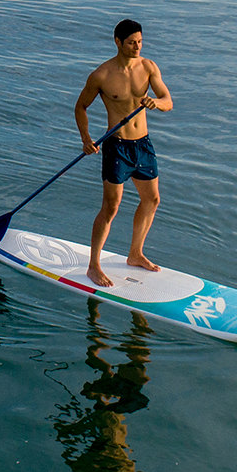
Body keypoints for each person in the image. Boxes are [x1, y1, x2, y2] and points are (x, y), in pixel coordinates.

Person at [72, 19, 173, 286]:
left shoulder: (148, 67)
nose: (137, 47)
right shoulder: (101, 75)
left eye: (140, 41)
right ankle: (93, 266)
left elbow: (168, 100)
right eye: (131, 42)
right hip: (116, 147)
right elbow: (80, 107)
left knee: (152, 200)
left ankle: (135, 253)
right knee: (111, 207)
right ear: (118, 42)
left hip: (143, 145)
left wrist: (157, 103)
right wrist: (86, 139)